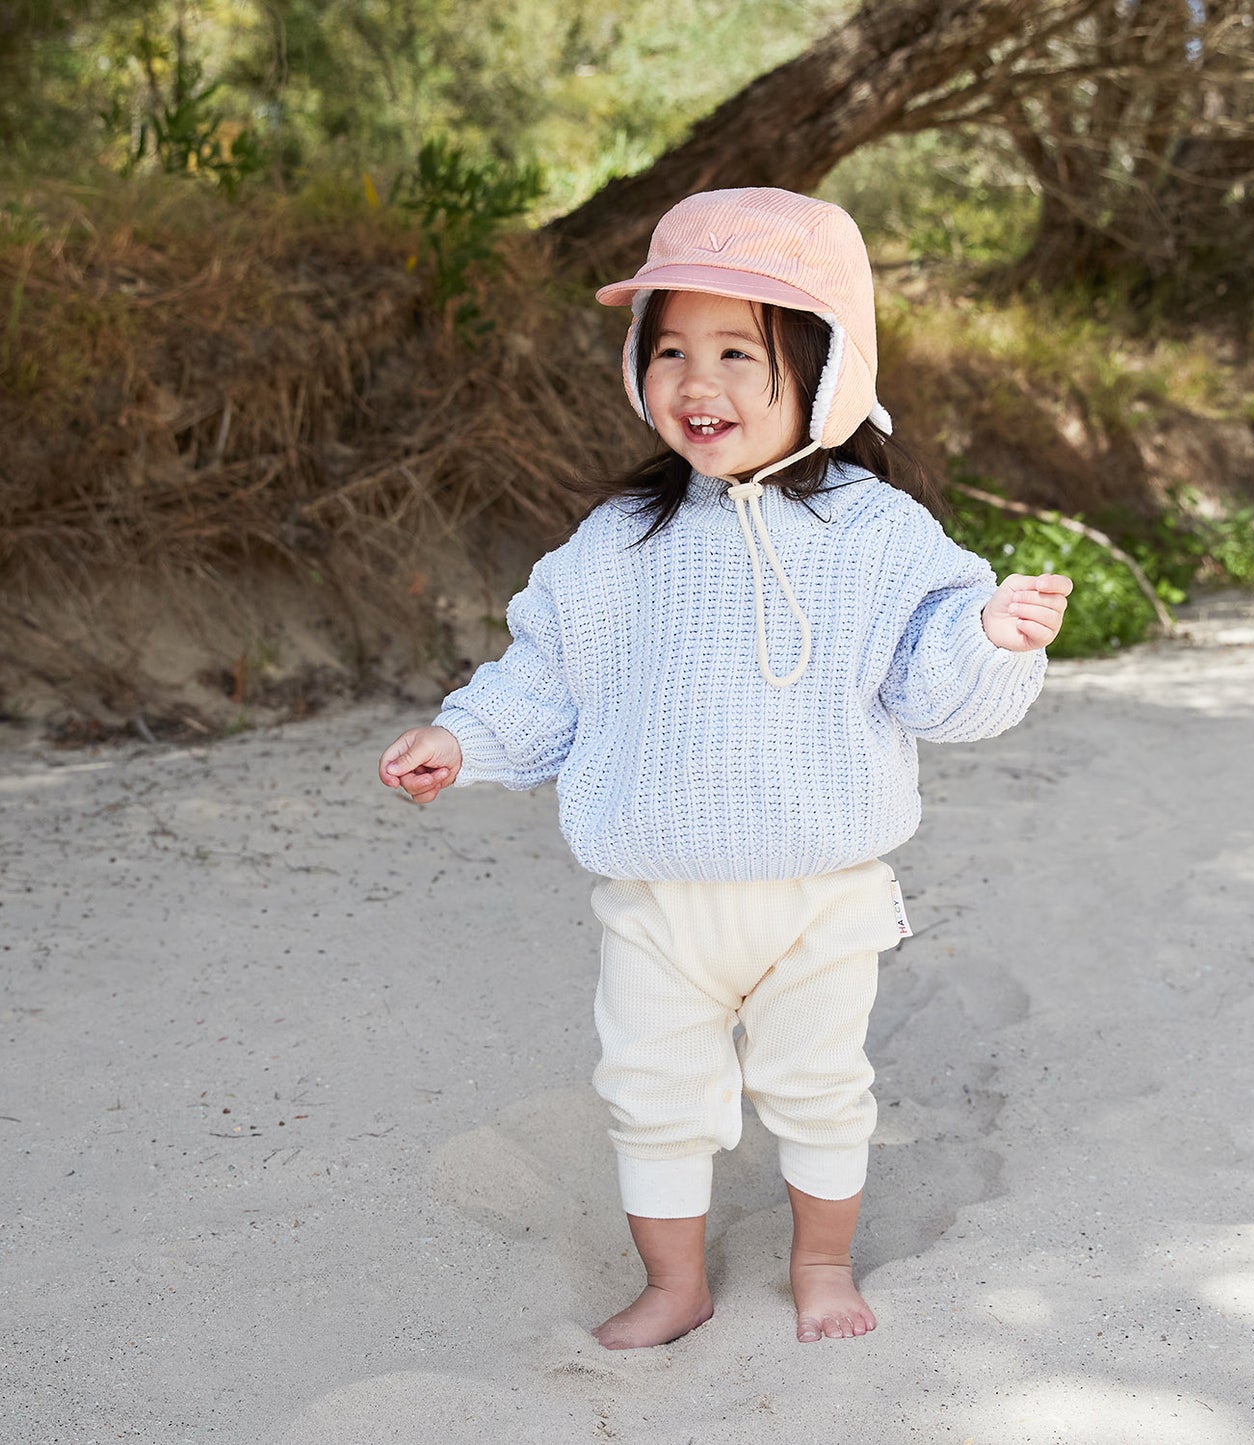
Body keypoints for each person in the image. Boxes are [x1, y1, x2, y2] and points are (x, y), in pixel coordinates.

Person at [378, 187, 1071, 1351]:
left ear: (829, 369)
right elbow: (544, 673)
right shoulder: (618, 541)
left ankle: (819, 1261)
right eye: (669, 350)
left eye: (739, 352)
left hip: (820, 893)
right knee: (648, 1091)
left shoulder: (876, 533)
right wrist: (466, 738)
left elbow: (927, 674)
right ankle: (675, 1283)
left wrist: (987, 637)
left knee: (816, 1087)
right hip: (658, 896)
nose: (697, 382)